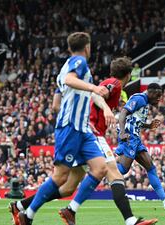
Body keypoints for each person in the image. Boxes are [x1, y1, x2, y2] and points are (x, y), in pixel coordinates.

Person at [9, 57, 157, 225]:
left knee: (68, 187)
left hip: (85, 132)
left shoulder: (114, 86)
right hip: (92, 134)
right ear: (129, 74)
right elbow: (96, 95)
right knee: (114, 174)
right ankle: (130, 220)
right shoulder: (114, 83)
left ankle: (21, 206)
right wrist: (107, 109)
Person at [17, 32, 115, 225]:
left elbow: (55, 104)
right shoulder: (79, 62)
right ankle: (27, 214)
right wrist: (93, 89)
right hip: (71, 127)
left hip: (82, 129)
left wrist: (100, 106)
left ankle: (71, 210)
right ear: (87, 47)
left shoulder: (66, 68)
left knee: (100, 168)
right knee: (60, 176)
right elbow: (71, 80)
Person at [115, 83, 165, 212]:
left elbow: (135, 120)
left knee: (151, 167)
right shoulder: (139, 99)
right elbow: (123, 112)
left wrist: (148, 126)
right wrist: (123, 132)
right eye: (157, 96)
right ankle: (100, 168)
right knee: (122, 170)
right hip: (129, 136)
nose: (159, 99)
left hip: (136, 138)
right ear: (150, 92)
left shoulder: (145, 102)